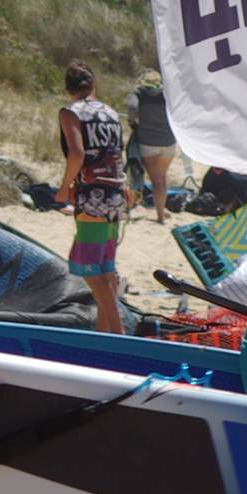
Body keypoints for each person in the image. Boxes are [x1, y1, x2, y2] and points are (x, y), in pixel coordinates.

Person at [56, 64, 130, 335]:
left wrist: (64, 188)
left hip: (92, 197)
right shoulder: (110, 112)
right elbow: (117, 153)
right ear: (92, 85)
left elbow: (76, 153)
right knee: (105, 267)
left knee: (89, 269)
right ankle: (103, 333)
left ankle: (119, 334)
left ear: (69, 88)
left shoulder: (70, 112)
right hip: (116, 195)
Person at [127, 72, 178, 219]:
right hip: (168, 141)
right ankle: (161, 209)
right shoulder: (167, 94)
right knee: (162, 177)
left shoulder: (139, 93)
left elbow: (131, 108)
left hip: (148, 142)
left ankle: (159, 215)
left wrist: (132, 123)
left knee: (156, 180)